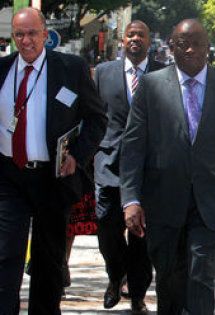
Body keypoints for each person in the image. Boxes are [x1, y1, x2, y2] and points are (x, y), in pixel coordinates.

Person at [120, 19, 215, 314]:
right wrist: (130, 198)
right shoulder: (151, 86)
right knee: (169, 278)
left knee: (201, 275)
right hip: (163, 200)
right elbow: (133, 146)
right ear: (171, 46)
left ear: (210, 48)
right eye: (182, 44)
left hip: (210, 201)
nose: (190, 50)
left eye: (197, 44)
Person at [0, 8, 106, 314]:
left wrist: (78, 156)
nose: (26, 41)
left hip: (52, 178)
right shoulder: (3, 70)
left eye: (32, 33)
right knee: (6, 254)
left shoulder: (70, 68)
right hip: (9, 177)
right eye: (19, 34)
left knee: (48, 260)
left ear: (45, 35)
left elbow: (97, 120)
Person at [93, 20, 164, 314]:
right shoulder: (103, 72)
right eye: (130, 34)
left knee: (141, 239)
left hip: (149, 168)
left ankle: (137, 296)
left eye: (141, 35)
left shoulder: (163, 74)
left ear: (150, 41)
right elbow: (93, 113)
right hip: (109, 163)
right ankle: (115, 276)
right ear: (122, 40)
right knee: (107, 231)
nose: (135, 39)